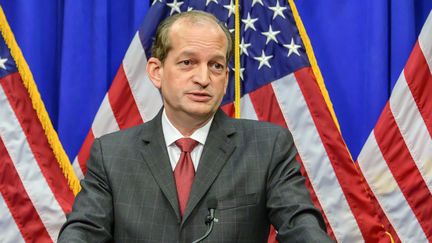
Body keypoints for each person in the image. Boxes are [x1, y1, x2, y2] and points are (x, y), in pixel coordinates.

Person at [58, 10, 333, 243]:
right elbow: (83, 232)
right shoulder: (112, 154)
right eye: (188, 63)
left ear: (226, 78)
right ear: (156, 71)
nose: (203, 78)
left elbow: (300, 225)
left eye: (216, 66)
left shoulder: (267, 146)